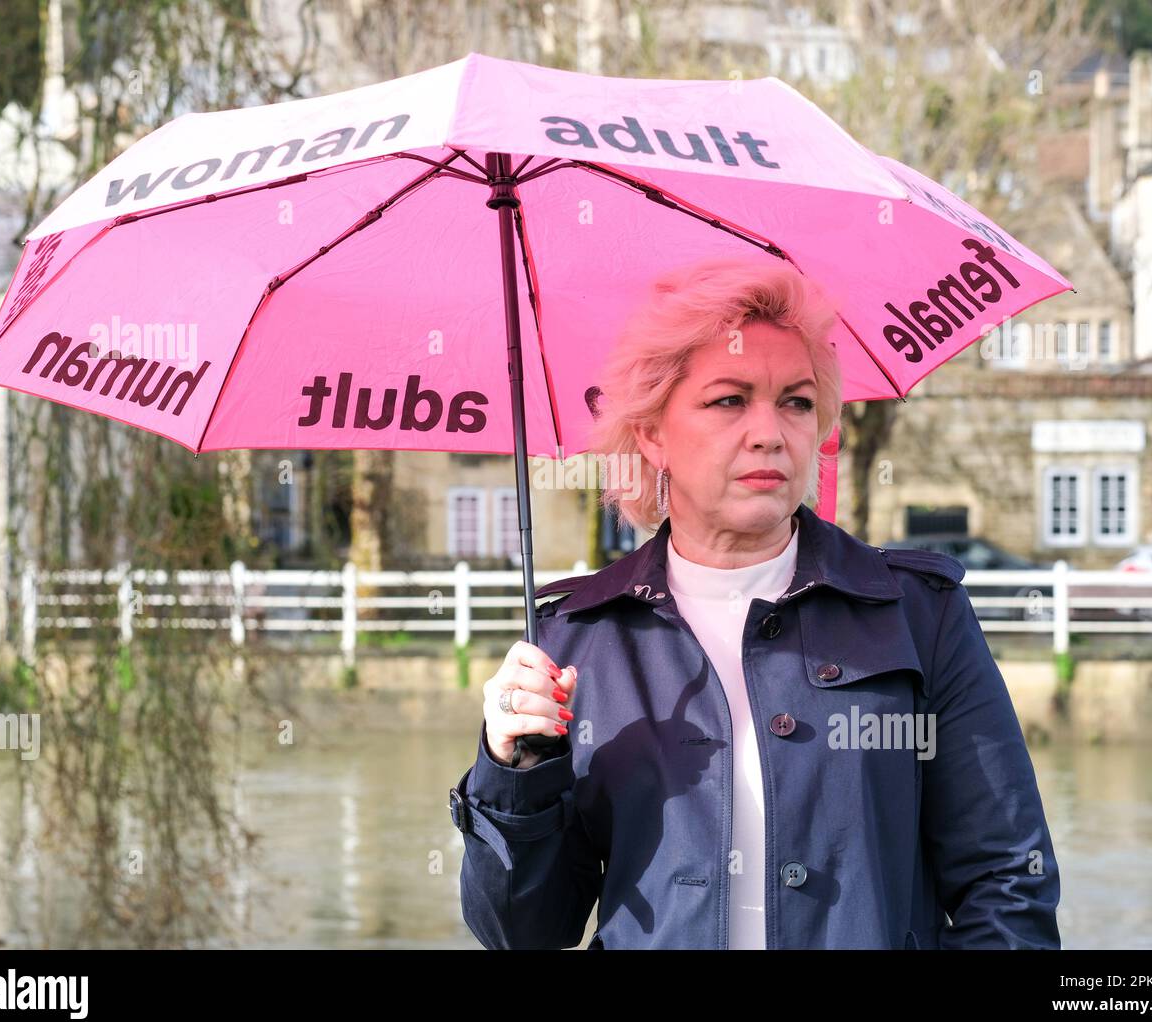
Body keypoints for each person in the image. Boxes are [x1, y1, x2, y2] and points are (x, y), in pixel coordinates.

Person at [447, 254, 1061, 949]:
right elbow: (522, 929)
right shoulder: (575, 638)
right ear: (652, 434)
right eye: (729, 399)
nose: (771, 430)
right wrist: (513, 768)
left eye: (796, 401)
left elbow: (1008, 883)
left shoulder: (919, 616)